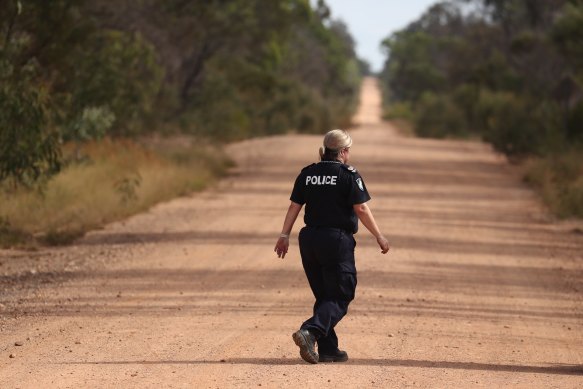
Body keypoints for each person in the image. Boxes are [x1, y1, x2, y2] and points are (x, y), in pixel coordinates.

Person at [274, 129, 390, 364]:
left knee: (325, 294)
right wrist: (379, 235)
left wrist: (284, 235)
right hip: (335, 240)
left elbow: (294, 207)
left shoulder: (308, 174)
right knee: (341, 293)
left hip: (309, 240)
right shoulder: (348, 174)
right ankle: (310, 330)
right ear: (344, 151)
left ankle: (328, 349)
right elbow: (361, 209)